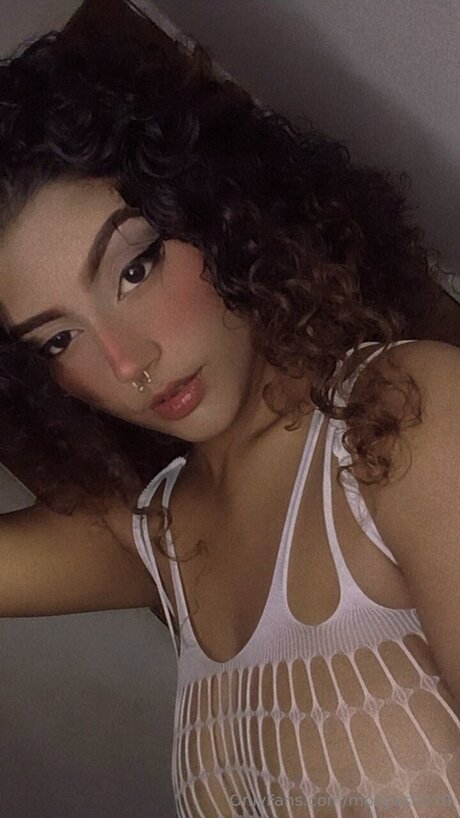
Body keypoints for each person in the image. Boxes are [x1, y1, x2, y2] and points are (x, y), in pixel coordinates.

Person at [0, 28, 459, 818]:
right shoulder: (158, 538)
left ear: (217, 211)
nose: (127, 362)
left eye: (134, 269)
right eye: (59, 340)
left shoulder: (403, 413)